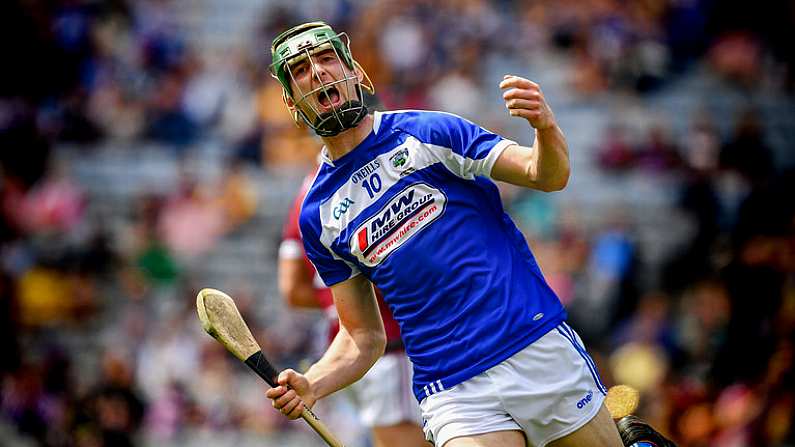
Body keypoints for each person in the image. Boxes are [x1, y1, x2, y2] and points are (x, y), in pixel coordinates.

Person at [264, 21, 676, 447]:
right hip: (453, 388)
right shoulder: (316, 212)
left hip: (532, 344)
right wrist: (313, 383)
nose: (316, 73)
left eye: (327, 58)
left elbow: (545, 174)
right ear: (291, 102)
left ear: (354, 71)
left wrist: (545, 127)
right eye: (298, 70)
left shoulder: (427, 132)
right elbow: (362, 336)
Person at [278, 168, 427, 447]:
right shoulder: (367, 175)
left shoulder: (306, 194)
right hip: (393, 350)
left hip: (345, 355)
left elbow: (292, 290)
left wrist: (347, 302)